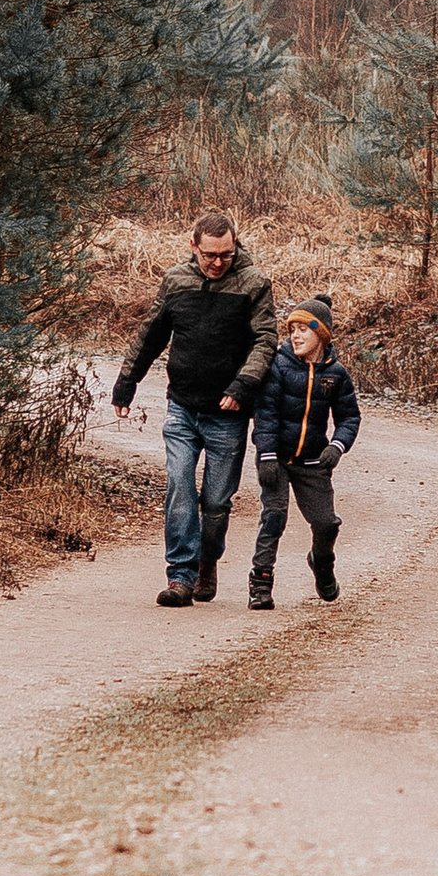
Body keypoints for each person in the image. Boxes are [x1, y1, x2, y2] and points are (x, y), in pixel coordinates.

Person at [109, 211, 276, 606]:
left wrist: (243, 385)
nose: (217, 262)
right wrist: (125, 386)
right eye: (209, 255)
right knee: (180, 489)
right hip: (182, 406)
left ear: (235, 246)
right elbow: (150, 335)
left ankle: (207, 561)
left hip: (228, 413)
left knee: (216, 502)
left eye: (225, 254)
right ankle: (180, 576)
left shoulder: (253, 283)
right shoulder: (176, 281)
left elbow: (266, 340)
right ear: (193, 246)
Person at [247, 293, 359, 607]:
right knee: (274, 517)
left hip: (313, 461)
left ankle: (322, 563)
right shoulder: (278, 367)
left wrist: (337, 446)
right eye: (292, 329)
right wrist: (267, 455)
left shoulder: (336, 374)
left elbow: (349, 417)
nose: (295, 335)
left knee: (326, 523)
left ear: (321, 334)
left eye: (303, 329)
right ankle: (261, 582)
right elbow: (265, 414)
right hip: (276, 459)